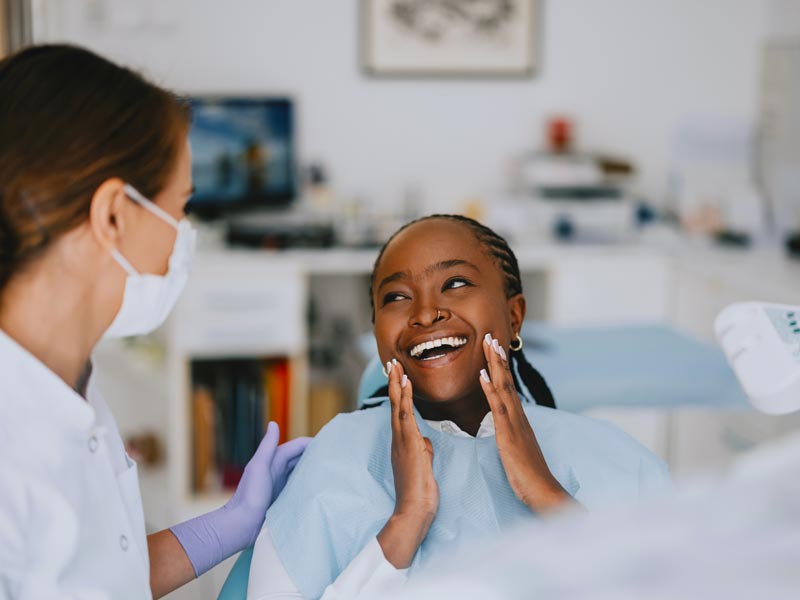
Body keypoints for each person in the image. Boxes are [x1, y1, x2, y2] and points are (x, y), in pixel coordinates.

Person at [0, 45, 309, 599]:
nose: (181, 237)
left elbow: (93, 573)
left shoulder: (68, 385)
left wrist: (228, 525)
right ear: (113, 215)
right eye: (181, 209)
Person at [246, 215, 671, 599]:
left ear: (514, 315)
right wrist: (405, 523)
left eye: (455, 284)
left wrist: (547, 496)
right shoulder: (336, 454)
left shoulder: (619, 461)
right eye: (396, 296)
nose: (426, 313)